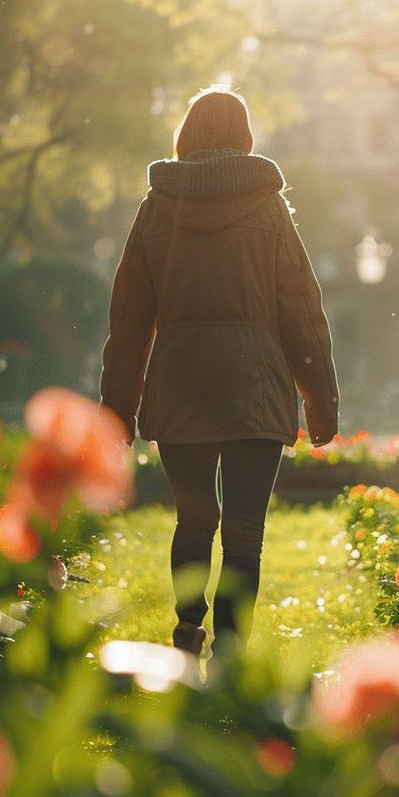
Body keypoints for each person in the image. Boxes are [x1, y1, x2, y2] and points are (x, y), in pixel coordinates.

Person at [100, 87, 339, 655]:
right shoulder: (269, 208)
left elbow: (129, 318)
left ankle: (187, 629)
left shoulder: (156, 207)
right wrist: (320, 399)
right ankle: (231, 651)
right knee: (244, 531)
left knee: (193, 519)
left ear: (187, 134)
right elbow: (301, 310)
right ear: (243, 135)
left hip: (180, 381)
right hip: (255, 382)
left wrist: (116, 410)